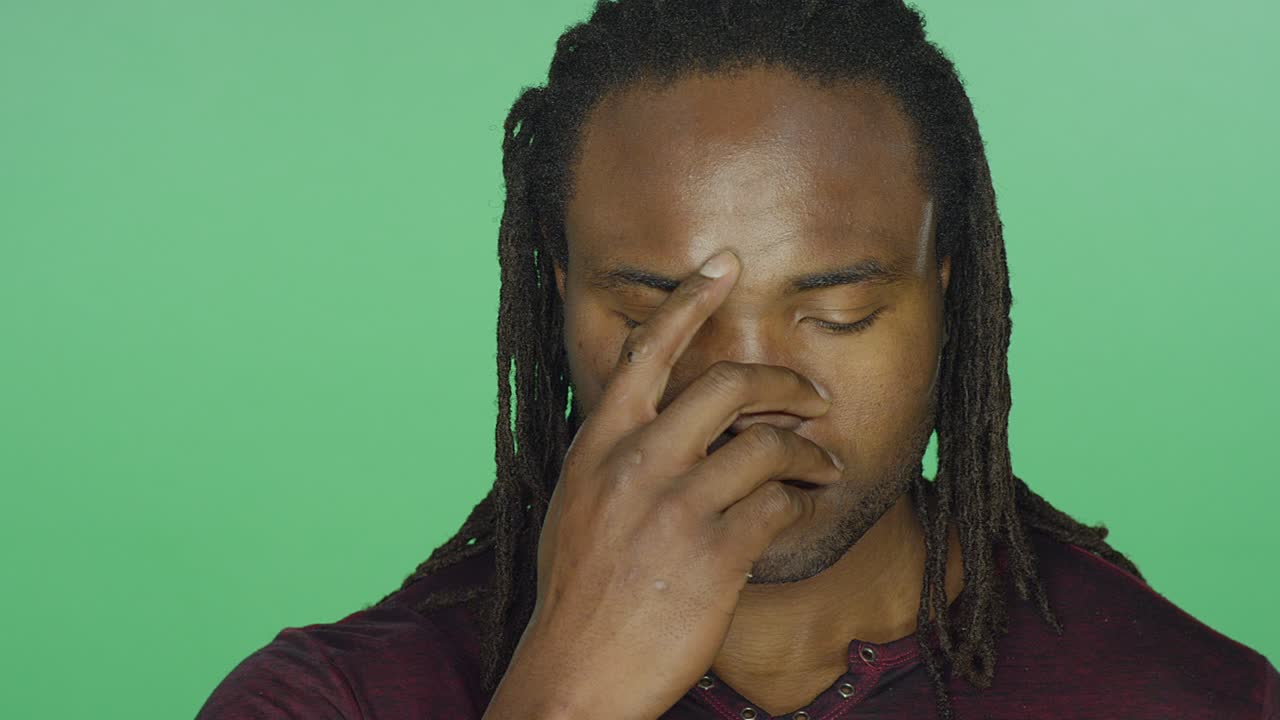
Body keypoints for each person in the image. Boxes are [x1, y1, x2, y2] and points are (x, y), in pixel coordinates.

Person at [196, 1, 1279, 718]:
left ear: (952, 293)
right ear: (556, 290)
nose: (748, 391)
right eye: (654, 306)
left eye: (839, 307)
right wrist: (558, 697)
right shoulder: (334, 699)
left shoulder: (1190, 697)